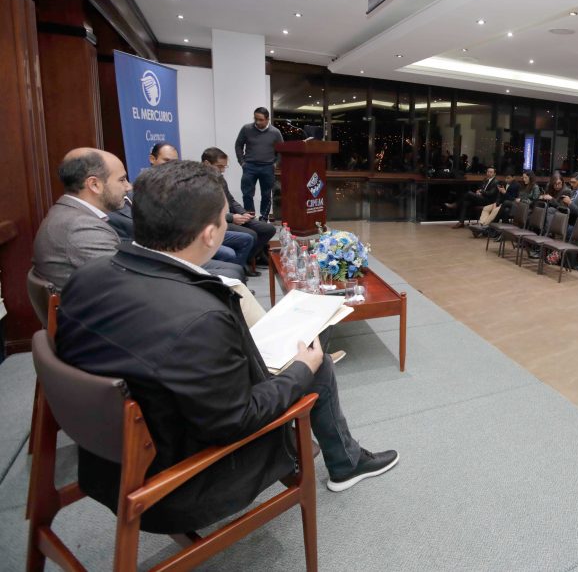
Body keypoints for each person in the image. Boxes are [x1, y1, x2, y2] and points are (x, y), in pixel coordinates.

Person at [56, 161, 399, 534]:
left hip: (103, 462)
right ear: (209, 234)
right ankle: (346, 463)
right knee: (315, 365)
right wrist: (303, 367)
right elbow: (237, 421)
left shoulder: (86, 278)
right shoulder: (200, 316)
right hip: (176, 485)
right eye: (224, 219)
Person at [112, 143, 256, 277]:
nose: (171, 166)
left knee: (246, 241)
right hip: (168, 246)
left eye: (175, 162)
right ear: (152, 159)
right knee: (229, 255)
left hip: (190, 232)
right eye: (166, 160)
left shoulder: (182, 184)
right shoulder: (142, 190)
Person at [32, 148, 131, 290]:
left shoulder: (66, 213)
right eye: (122, 180)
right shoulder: (81, 228)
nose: (128, 187)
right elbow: (127, 284)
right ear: (94, 185)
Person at [201, 147, 277, 265]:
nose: (222, 170)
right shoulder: (198, 183)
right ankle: (240, 264)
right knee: (251, 234)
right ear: (206, 163)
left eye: (224, 167)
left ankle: (250, 257)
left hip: (232, 217)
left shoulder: (219, 178)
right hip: (217, 222)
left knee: (268, 229)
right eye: (219, 166)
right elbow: (206, 212)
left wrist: (243, 213)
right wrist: (232, 218)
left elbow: (231, 200)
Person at [235, 106, 283, 222]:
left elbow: (282, 150)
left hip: (267, 167)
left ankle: (264, 218)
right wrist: (242, 162)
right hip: (249, 166)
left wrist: (275, 164)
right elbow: (238, 145)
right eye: (255, 119)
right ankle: (250, 217)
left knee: (266, 195)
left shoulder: (275, 132)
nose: (257, 122)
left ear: (267, 119)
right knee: (247, 194)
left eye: (260, 120)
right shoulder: (246, 129)